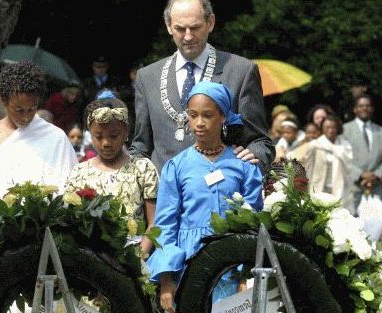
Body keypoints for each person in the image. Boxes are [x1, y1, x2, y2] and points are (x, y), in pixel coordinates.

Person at [147, 81, 263, 312]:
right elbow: (165, 226)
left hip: (232, 268)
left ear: (223, 117)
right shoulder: (176, 167)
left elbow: (255, 223)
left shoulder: (243, 165)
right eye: (193, 115)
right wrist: (167, 282)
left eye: (208, 115)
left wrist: (246, 276)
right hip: (187, 268)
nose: (199, 123)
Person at [130, 0, 274, 173]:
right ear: (168, 26)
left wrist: (253, 158)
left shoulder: (241, 71)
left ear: (210, 22)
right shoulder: (147, 77)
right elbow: (141, 147)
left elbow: (260, 141)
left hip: (221, 190)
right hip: (163, 194)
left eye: (195, 27)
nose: (188, 36)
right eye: (180, 29)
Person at [0, 61, 78, 207]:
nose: (26, 117)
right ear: (4, 100)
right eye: (19, 110)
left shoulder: (57, 138)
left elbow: (70, 188)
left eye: (32, 109)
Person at [65, 97, 159, 255]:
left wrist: (139, 258)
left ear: (126, 132)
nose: (106, 143)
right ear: (90, 134)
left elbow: (154, 223)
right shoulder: (79, 173)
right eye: (99, 136)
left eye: (114, 136)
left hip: (134, 257)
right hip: (93, 259)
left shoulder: (143, 168)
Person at [341, 94, 382, 210]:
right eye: (361, 106)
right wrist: (360, 174)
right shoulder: (344, 130)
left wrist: (376, 175)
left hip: (376, 188)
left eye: (368, 106)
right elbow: (342, 157)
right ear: (355, 109)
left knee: (375, 227)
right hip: (352, 188)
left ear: (372, 109)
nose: (364, 108)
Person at [305, 115, 354, 213]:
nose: (331, 130)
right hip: (320, 188)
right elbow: (309, 168)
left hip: (340, 188)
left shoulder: (344, 146)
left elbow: (349, 167)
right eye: (327, 127)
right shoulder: (315, 145)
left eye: (333, 127)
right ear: (322, 129)